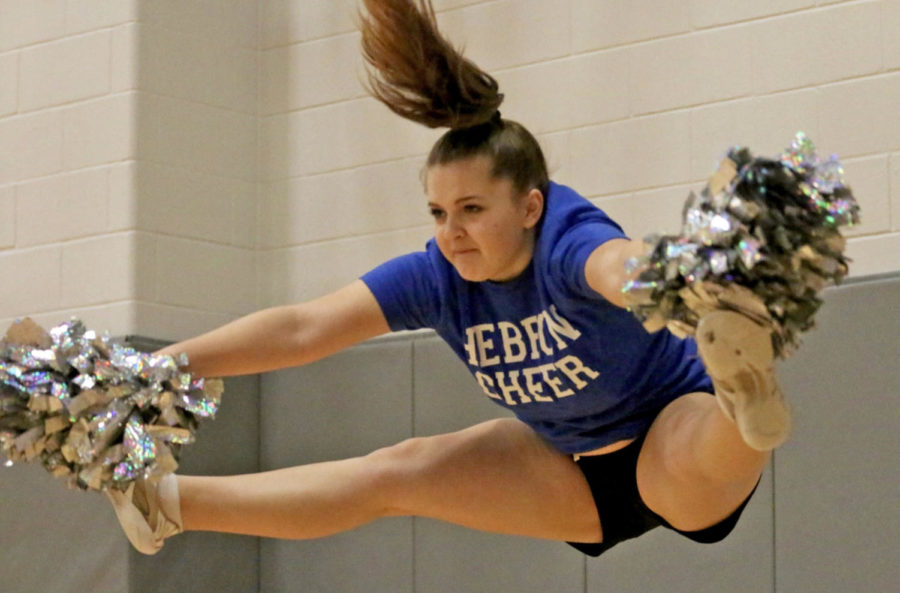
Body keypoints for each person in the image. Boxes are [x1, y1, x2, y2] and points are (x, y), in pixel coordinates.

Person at [108, 0, 790, 557]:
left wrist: (683, 282)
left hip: (668, 439)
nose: (451, 230)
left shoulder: (565, 241)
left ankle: (743, 394)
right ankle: (166, 504)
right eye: (437, 212)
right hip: (566, 468)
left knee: (700, 439)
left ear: (530, 206)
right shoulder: (438, 275)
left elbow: (619, 266)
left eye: (470, 210)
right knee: (394, 471)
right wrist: (152, 367)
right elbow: (302, 327)